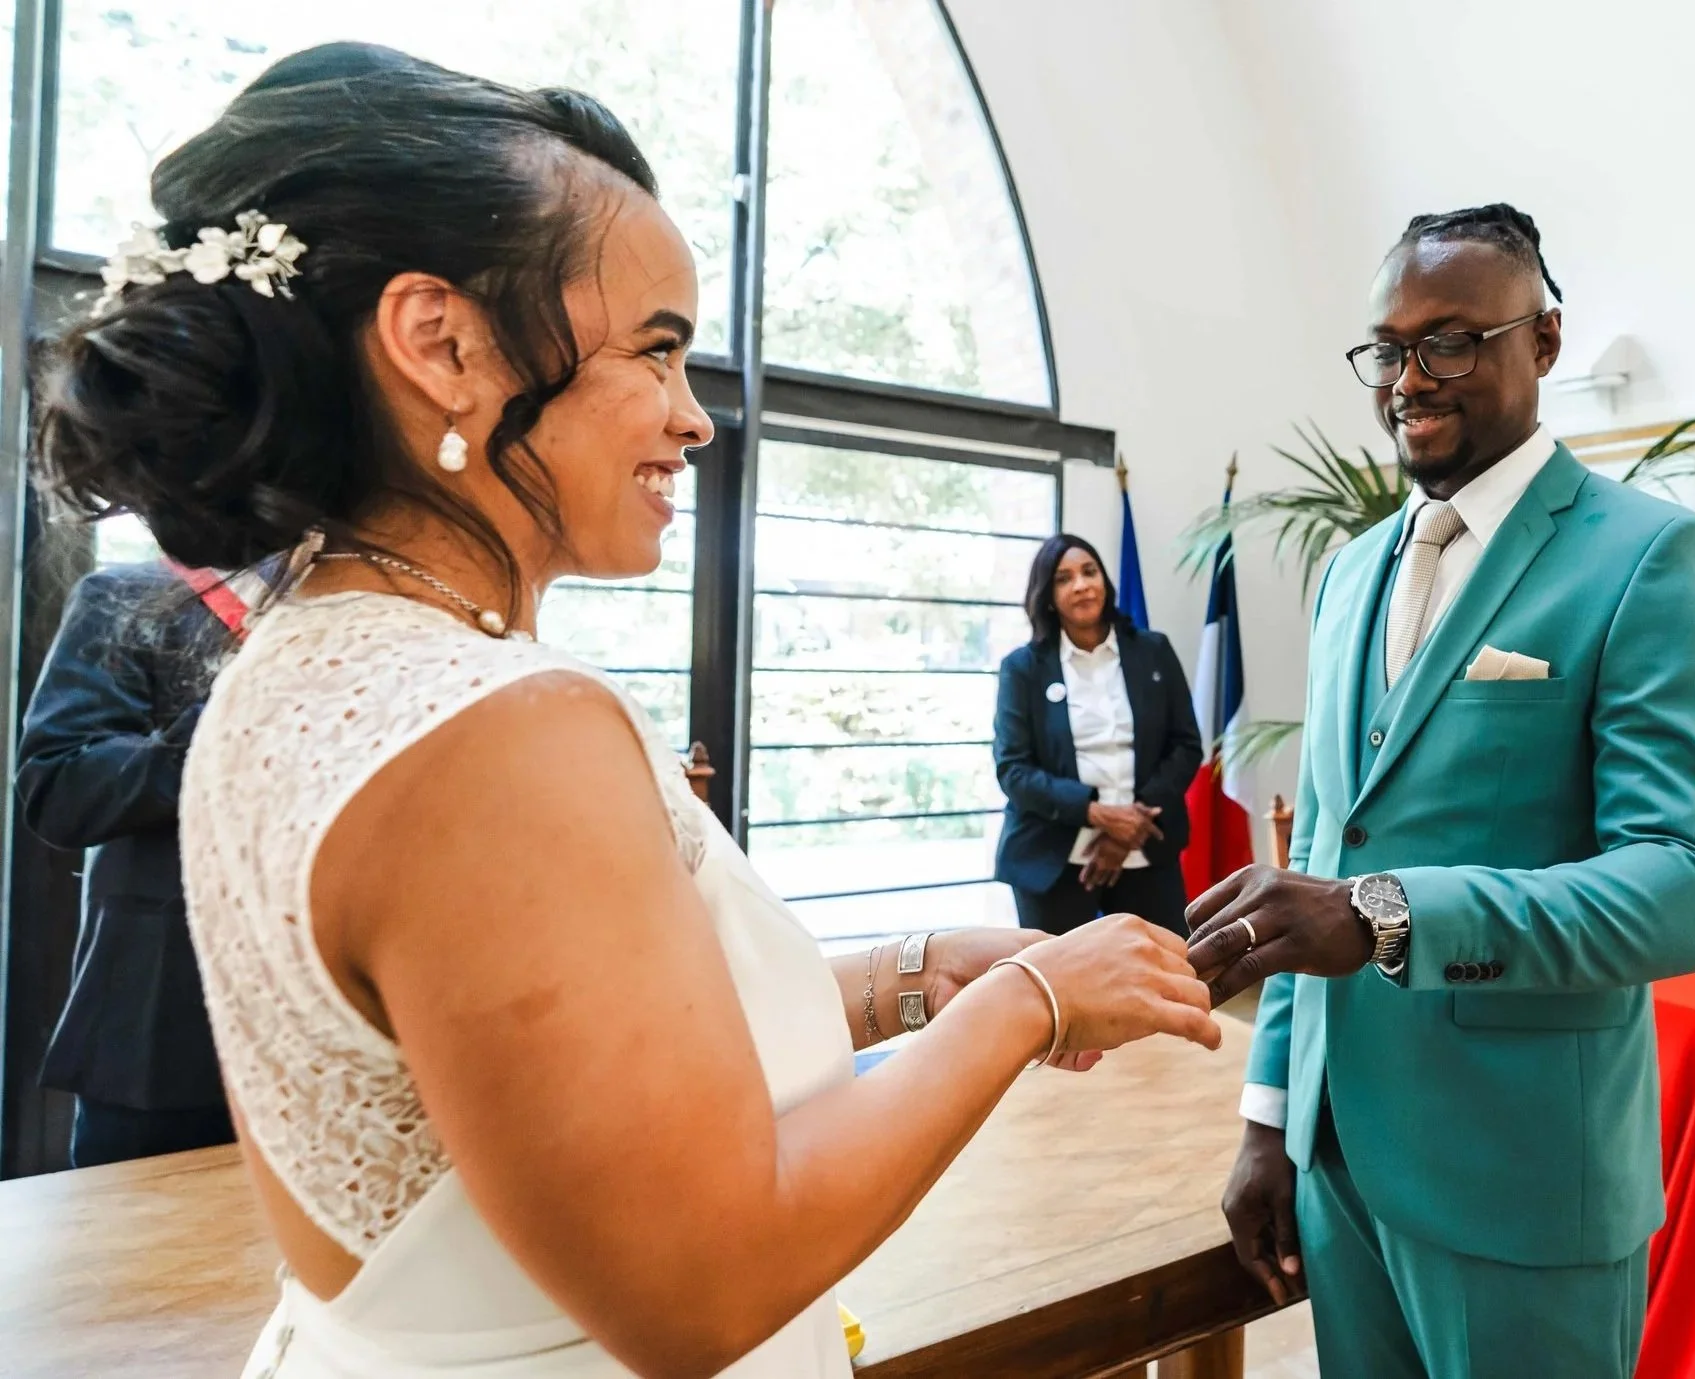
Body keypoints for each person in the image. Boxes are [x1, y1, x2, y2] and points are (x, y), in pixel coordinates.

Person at [35, 43, 1222, 1379]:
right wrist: (1024, 999)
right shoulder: (491, 732)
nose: (693, 419)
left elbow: (540, 1066)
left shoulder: (304, 664)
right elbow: (702, 1282)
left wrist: (901, 979)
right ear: (441, 343)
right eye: (656, 351)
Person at [1186, 204, 1695, 1378]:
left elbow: (1688, 887)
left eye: (1447, 342)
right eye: (1388, 349)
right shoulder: (1348, 574)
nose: (1408, 380)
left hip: (1522, 1176)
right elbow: (1323, 857)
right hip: (1340, 1167)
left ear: (1542, 340)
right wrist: (1269, 1118)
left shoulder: (1642, 555)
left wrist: (1388, 914)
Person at [16, 561, 249, 1167]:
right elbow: (60, 789)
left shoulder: (390, 618)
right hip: (165, 1031)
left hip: (351, 1021)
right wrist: (233, 717)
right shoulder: (129, 598)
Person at [994, 535, 1202, 936]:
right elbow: (1013, 771)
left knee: (1165, 967)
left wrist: (1129, 827)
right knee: (1057, 974)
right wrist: (1097, 814)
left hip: (1146, 848)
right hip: (1052, 858)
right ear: (1048, 596)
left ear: (1104, 582)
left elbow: (1186, 746)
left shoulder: (1154, 651)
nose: (1081, 585)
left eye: (1089, 572)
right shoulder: (1023, 668)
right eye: (1063, 578)